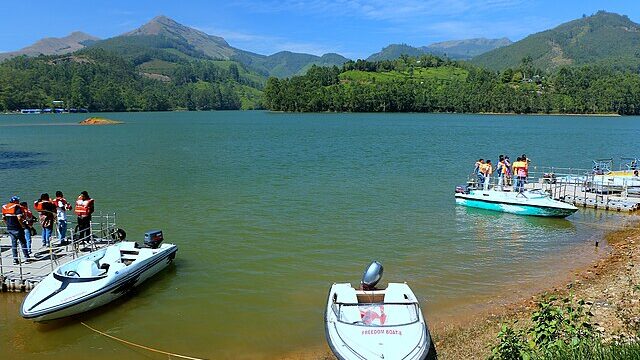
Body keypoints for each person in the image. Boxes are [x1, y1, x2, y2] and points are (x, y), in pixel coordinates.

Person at [2, 196, 30, 264]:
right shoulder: (17, 207)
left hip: (10, 228)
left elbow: (3, 218)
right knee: (23, 243)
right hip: (17, 228)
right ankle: (26, 258)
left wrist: (7, 224)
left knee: (14, 244)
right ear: (16, 201)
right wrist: (22, 225)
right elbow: (19, 217)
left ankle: (15, 260)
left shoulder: (6, 208)